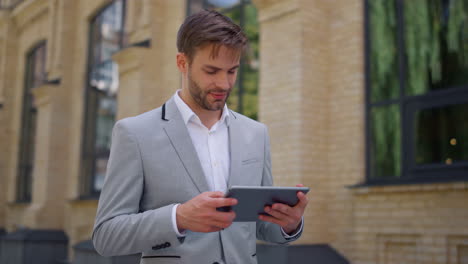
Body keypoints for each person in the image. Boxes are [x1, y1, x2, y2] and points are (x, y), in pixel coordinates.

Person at [93, 9, 308, 264]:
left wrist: (289, 224)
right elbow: (106, 236)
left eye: (232, 71)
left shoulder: (256, 134)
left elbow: (260, 227)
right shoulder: (135, 133)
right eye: (211, 71)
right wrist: (179, 217)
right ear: (182, 63)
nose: (224, 84)